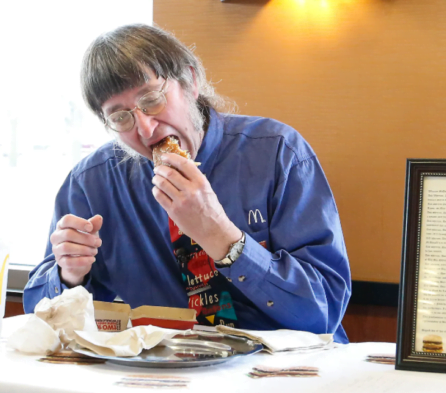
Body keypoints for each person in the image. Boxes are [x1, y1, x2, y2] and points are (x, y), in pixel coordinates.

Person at [23, 24, 352, 343]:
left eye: (152, 99)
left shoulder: (278, 152)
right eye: (121, 116)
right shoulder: (91, 183)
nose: (147, 129)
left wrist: (220, 235)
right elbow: (38, 315)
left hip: (291, 368)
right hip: (167, 368)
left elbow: (323, 311)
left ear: (191, 82)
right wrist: (69, 276)